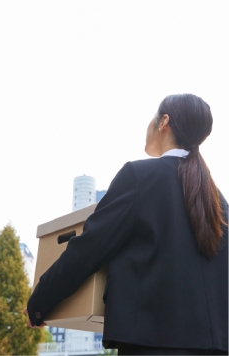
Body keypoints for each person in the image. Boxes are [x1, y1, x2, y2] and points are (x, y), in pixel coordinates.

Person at [25, 94, 228, 355]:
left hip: (152, 345)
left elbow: (89, 249)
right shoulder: (218, 200)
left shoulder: (139, 177)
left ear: (163, 121)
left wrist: (39, 303)